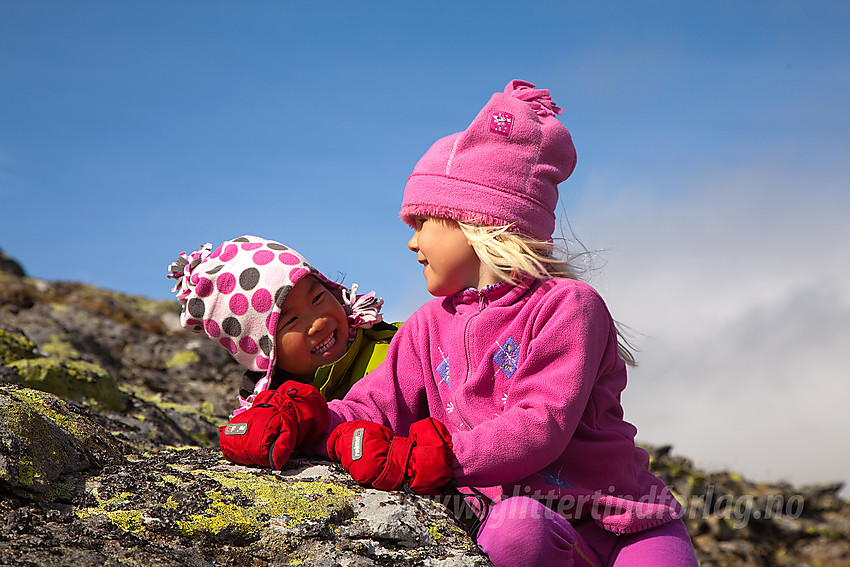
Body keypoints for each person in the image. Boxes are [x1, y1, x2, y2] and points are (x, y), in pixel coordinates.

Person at [219, 81, 699, 566]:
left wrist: (441, 457)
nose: (411, 243)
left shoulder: (569, 306)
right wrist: (306, 418)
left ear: (474, 221)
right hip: (525, 522)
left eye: (421, 223)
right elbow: (374, 407)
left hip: (625, 526)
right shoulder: (426, 327)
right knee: (514, 532)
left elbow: (540, 423)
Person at [166, 235, 397, 419]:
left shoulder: (394, 354)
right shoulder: (274, 413)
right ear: (264, 352)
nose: (317, 323)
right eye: (290, 321)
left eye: (317, 298)